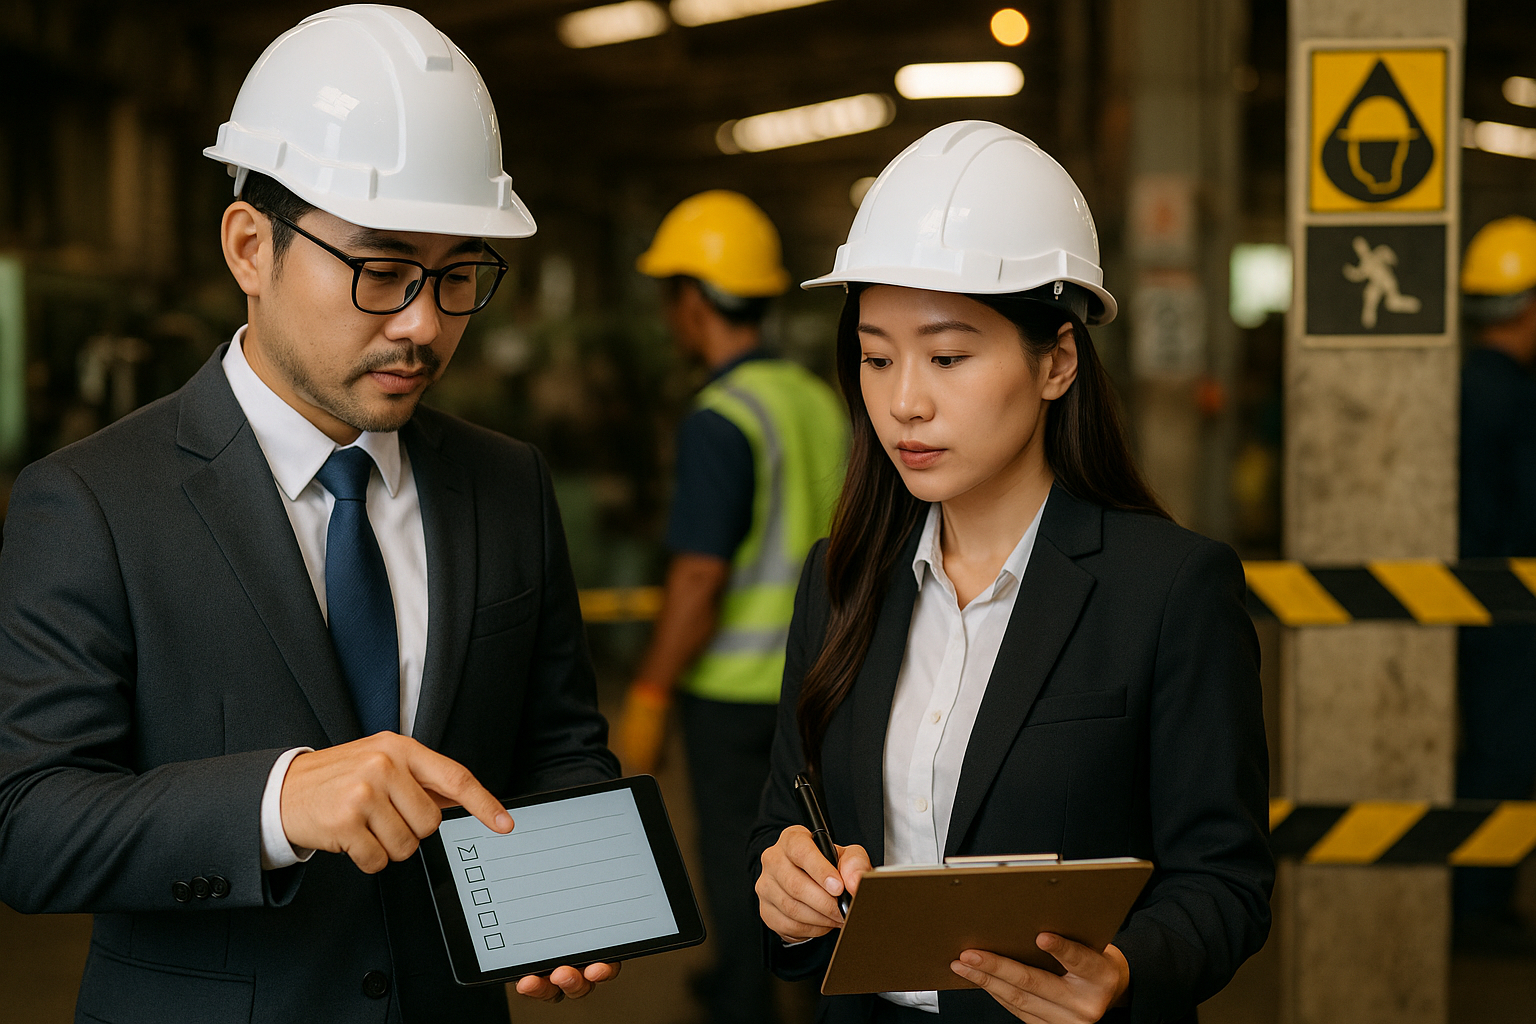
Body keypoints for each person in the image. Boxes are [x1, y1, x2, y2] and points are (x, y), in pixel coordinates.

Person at [0, 8, 621, 1021]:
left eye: (458, 275)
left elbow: (557, 745)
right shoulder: (92, 502)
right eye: (383, 271)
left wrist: (565, 897)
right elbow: (28, 826)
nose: (423, 323)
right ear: (251, 248)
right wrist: (276, 803)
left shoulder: (506, 485)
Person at [748, 121, 1272, 1024]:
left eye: (948, 357)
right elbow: (786, 819)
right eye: (877, 357)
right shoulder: (840, 580)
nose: (904, 401)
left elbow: (1224, 882)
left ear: (1057, 361)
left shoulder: (1168, 591)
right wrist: (788, 889)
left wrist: (1126, 973)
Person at [613, 190, 848, 1024]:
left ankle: (743, 1006)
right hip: (824, 683)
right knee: (820, 869)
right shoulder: (818, 399)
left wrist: (649, 691)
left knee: (741, 866)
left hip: (734, 697)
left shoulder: (720, 418)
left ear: (691, 300)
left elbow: (698, 581)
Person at [1455, 214, 1536, 944]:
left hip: (1464, 596)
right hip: (1509, 608)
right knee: (1506, 750)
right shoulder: (1517, 396)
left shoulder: (1458, 384)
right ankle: (1478, 909)